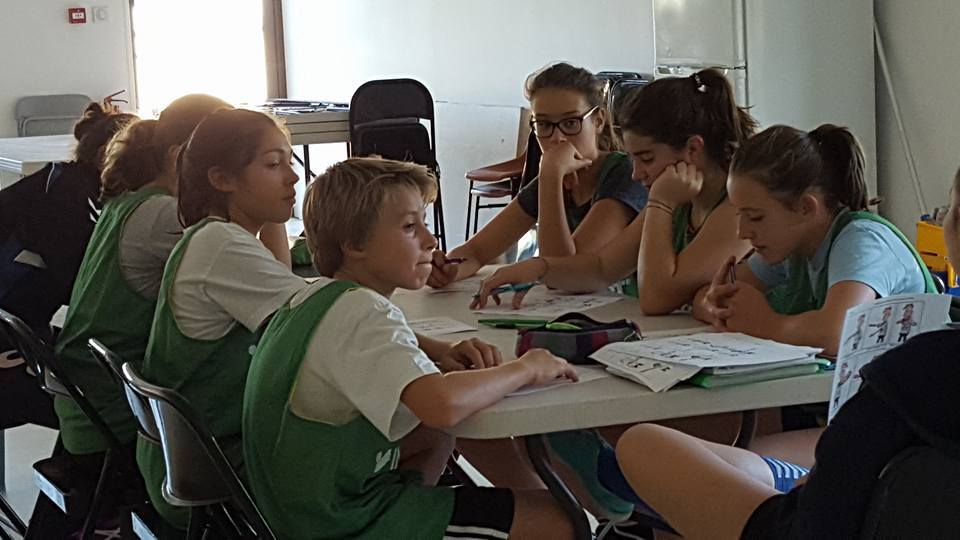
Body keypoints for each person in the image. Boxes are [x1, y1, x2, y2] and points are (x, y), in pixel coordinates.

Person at [242, 157, 578, 539]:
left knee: (435, 437)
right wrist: (527, 367)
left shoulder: (315, 297)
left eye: (424, 223)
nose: (431, 240)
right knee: (563, 521)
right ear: (354, 244)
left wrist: (437, 353)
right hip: (335, 522)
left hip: (293, 506)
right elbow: (442, 405)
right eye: (408, 227)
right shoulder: (365, 311)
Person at [473, 68, 755, 315]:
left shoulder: (735, 207)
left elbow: (656, 297)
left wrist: (660, 204)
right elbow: (601, 269)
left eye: (646, 159)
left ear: (693, 148)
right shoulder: (680, 197)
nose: (636, 174)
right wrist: (538, 268)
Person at [696, 124, 934, 356]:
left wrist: (766, 324)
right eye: (740, 215)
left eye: (755, 217)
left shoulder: (863, 241)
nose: (742, 232)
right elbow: (707, 296)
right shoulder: (792, 246)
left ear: (805, 208)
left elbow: (837, 334)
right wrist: (714, 306)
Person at [429, 62, 647, 293]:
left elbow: (563, 272)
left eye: (570, 123)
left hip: (627, 309)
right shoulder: (550, 181)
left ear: (599, 121)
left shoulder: (625, 174)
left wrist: (550, 176)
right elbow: (477, 251)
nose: (557, 138)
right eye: (543, 125)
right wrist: (449, 268)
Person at [0, 102, 136, 431]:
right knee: (109, 407)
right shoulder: (67, 203)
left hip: (20, 328)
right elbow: (87, 292)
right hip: (7, 347)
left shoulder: (64, 182)